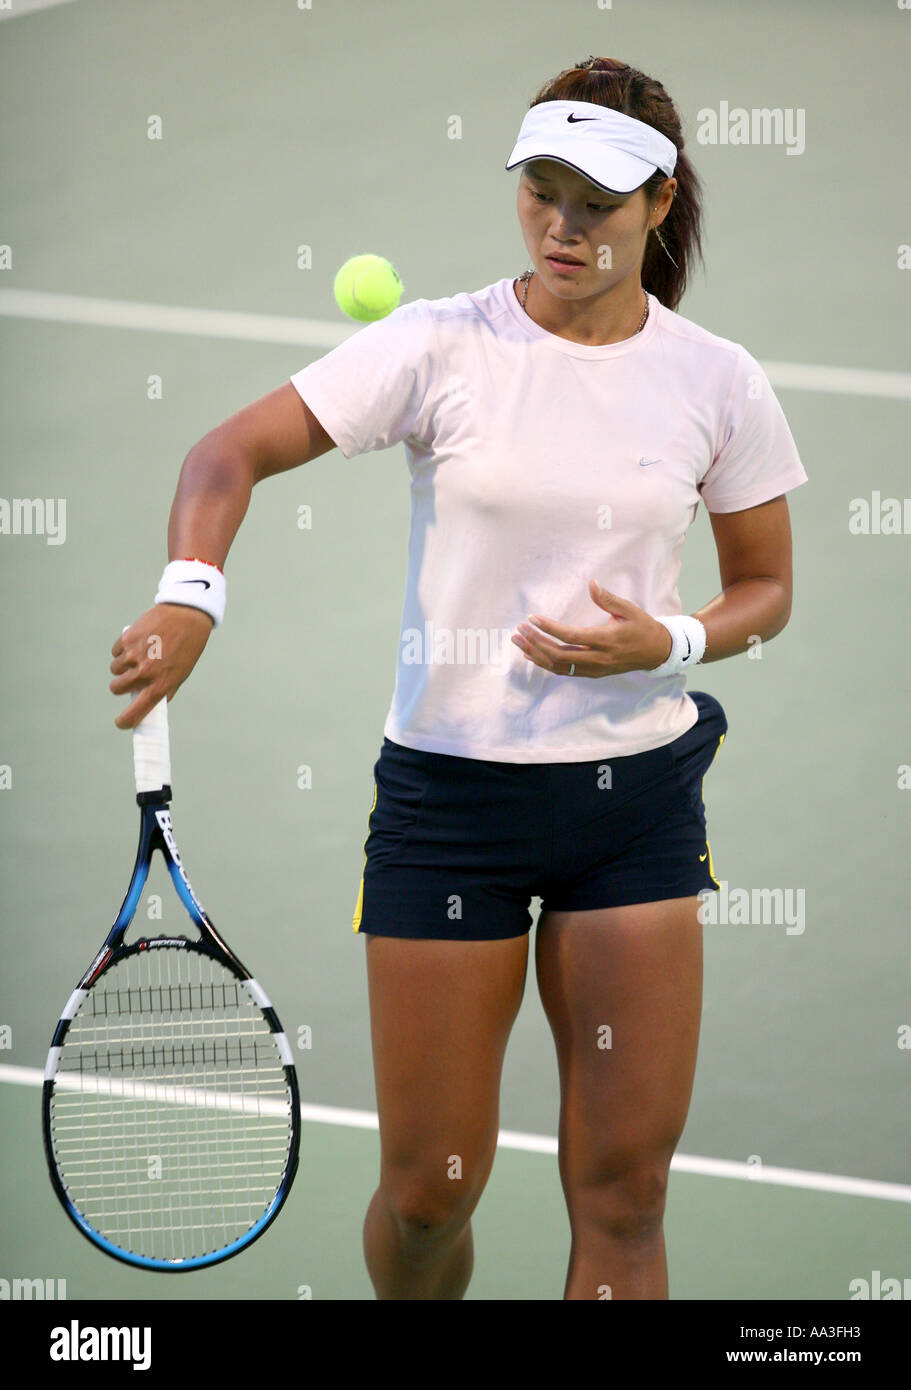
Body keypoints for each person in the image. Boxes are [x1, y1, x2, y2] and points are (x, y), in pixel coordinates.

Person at [109, 56, 808, 1300]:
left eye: (594, 200)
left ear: (656, 202)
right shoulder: (436, 344)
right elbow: (227, 451)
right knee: (431, 1191)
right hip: (451, 810)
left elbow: (763, 587)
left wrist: (675, 642)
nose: (560, 224)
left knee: (625, 1197)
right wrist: (189, 589)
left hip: (632, 807)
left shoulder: (717, 379)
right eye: (539, 190)